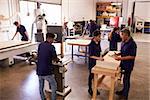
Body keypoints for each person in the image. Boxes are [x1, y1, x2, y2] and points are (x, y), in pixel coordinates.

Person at [114, 28, 137, 100]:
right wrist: (118, 54)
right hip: (123, 63)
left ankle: (125, 96)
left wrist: (120, 58)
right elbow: (122, 51)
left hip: (128, 65)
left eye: (122, 35)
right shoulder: (123, 41)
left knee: (126, 79)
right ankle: (123, 91)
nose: (121, 37)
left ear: (126, 35)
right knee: (123, 79)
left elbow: (132, 56)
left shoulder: (132, 44)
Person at [36, 33, 59, 100]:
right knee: (54, 85)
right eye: (53, 39)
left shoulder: (40, 45)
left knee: (41, 86)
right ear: (50, 38)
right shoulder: (51, 47)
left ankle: (43, 98)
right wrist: (58, 59)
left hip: (39, 70)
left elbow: (40, 55)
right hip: (47, 71)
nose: (53, 41)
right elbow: (55, 58)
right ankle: (53, 99)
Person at [88, 30, 104, 96]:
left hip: (97, 62)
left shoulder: (98, 42)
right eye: (99, 36)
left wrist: (101, 56)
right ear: (95, 36)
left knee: (96, 76)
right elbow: (91, 55)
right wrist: (99, 58)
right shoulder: (91, 44)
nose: (100, 38)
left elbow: (100, 51)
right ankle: (90, 89)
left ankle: (95, 88)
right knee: (91, 76)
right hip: (92, 62)